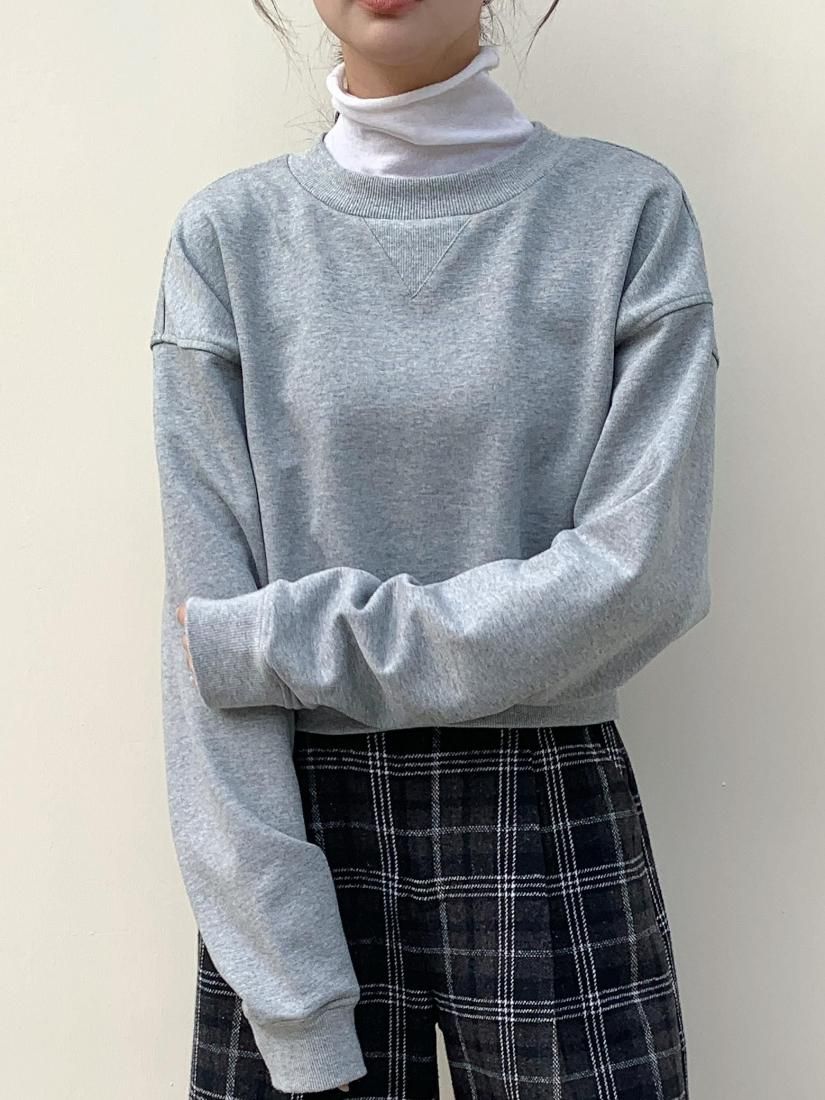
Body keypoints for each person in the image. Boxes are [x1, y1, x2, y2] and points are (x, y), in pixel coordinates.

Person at [150, 1, 719, 1097]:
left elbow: (645, 577)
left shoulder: (625, 216)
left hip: (545, 796)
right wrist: (289, 987)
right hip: (290, 811)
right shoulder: (228, 240)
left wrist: (292, 642)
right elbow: (201, 641)